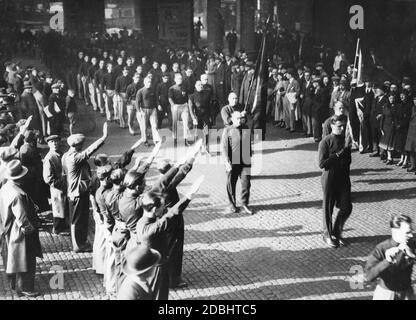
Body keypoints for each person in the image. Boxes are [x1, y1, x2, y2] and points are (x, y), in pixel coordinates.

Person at [134, 176, 204, 300]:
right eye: (162, 207)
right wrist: (189, 195)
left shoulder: (141, 222)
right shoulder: (153, 228)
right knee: (160, 295)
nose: (164, 208)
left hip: (148, 265)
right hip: (158, 268)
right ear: (155, 209)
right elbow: (171, 214)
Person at [62, 122, 109, 253]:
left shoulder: (66, 155)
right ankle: (78, 245)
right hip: (77, 192)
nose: (83, 147)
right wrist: (103, 137)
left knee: (78, 219)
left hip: (74, 192)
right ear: (77, 145)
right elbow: (89, 151)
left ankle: (79, 242)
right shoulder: (74, 157)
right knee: (78, 220)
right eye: (81, 145)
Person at [0, 160, 42, 297]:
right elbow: (22, 219)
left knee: (13, 258)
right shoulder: (17, 195)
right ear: (20, 177)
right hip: (19, 232)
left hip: (7, 228)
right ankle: (26, 288)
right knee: (26, 259)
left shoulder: (6, 187)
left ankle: (15, 284)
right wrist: (31, 230)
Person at [318, 115, 352, 248]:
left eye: (343, 126)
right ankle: (327, 234)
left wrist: (346, 155)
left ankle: (337, 231)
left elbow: (348, 159)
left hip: (343, 177)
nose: (342, 128)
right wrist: (338, 155)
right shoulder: (325, 142)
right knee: (328, 208)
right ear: (332, 126)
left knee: (347, 207)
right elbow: (322, 164)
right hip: (330, 177)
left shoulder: (345, 139)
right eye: (339, 126)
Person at [365, 215, 416, 300]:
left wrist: (412, 255)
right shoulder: (382, 248)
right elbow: (369, 276)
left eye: (412, 231)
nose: (411, 235)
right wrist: (387, 261)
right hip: (386, 294)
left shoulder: (412, 244)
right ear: (395, 232)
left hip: (407, 293)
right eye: (407, 233)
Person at [221, 111, 253, 215]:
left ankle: (244, 204)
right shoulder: (227, 130)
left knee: (246, 183)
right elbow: (224, 147)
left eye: (241, 118)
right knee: (231, 184)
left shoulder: (246, 128)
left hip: (244, 162)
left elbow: (248, 143)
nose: (240, 120)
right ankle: (232, 205)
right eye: (237, 118)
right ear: (233, 119)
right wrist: (227, 162)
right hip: (232, 162)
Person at [42, 135, 68, 235]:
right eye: (52, 142)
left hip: (63, 185)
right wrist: (60, 184)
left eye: (56, 141)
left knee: (63, 207)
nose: (55, 144)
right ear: (48, 144)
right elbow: (47, 178)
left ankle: (63, 225)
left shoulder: (60, 154)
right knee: (58, 207)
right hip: (57, 187)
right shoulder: (49, 158)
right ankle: (57, 229)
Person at [168, 73, 192, 147]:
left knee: (186, 123)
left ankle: (185, 140)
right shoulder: (172, 88)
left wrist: (188, 103)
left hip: (184, 106)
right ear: (175, 79)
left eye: (181, 78)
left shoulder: (184, 87)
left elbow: (187, 96)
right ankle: (175, 139)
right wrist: (173, 105)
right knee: (175, 123)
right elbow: (170, 98)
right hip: (176, 106)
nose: (180, 80)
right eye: (178, 78)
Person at [136, 76, 161, 146]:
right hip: (144, 110)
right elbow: (137, 102)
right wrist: (139, 111)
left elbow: (156, 99)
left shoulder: (153, 90)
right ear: (144, 82)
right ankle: (145, 140)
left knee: (155, 125)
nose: (149, 83)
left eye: (150, 82)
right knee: (144, 126)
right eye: (147, 82)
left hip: (153, 109)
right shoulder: (140, 91)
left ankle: (156, 140)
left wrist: (158, 105)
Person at [189, 81, 213, 152]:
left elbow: (211, 106)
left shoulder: (208, 94)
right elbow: (191, 109)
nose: (201, 86)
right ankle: (199, 147)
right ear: (195, 86)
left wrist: (211, 117)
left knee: (208, 132)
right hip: (197, 117)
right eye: (199, 85)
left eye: (201, 85)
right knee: (198, 133)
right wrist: (193, 118)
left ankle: (207, 147)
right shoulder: (192, 96)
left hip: (206, 116)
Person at [405, 95, 416, 173]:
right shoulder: (412, 108)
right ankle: (413, 165)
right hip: (411, 131)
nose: (415, 101)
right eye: (414, 99)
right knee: (411, 150)